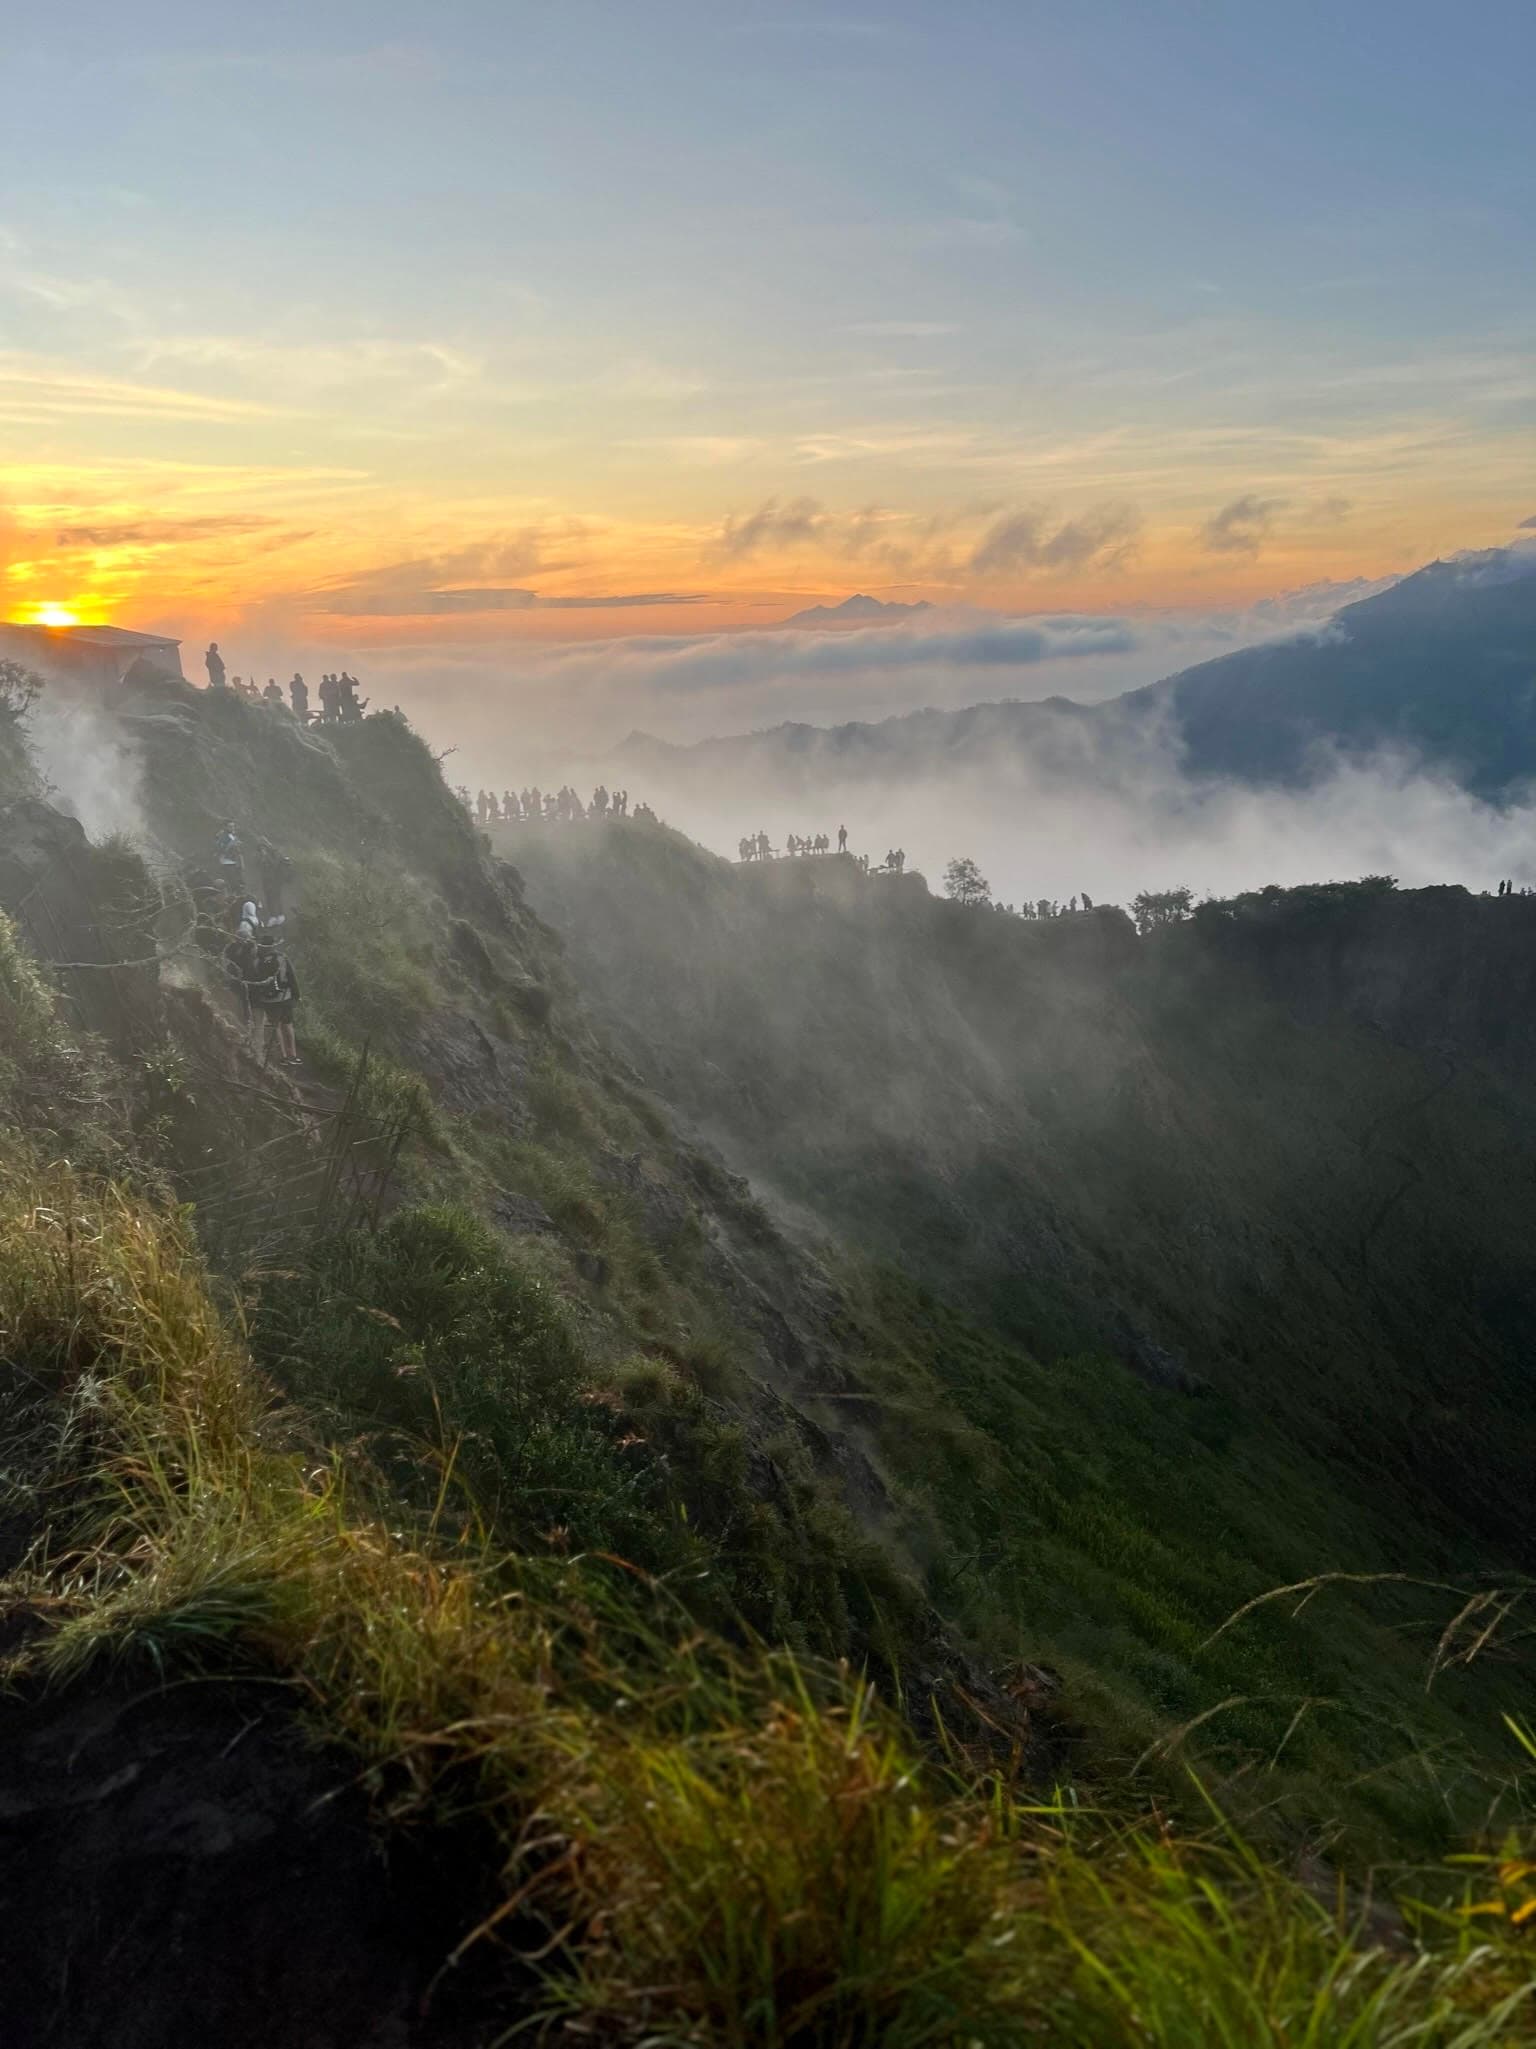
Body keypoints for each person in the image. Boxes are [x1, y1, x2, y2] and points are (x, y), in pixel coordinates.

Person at [250, 936, 301, 1066]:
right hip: (284, 997)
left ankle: (283, 1057)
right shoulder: (282, 958)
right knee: (288, 1025)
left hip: (267, 999)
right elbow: (291, 977)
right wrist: (296, 995)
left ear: (261, 946)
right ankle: (293, 1056)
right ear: (273, 946)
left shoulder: (256, 961)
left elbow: (255, 981)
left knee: (275, 1026)